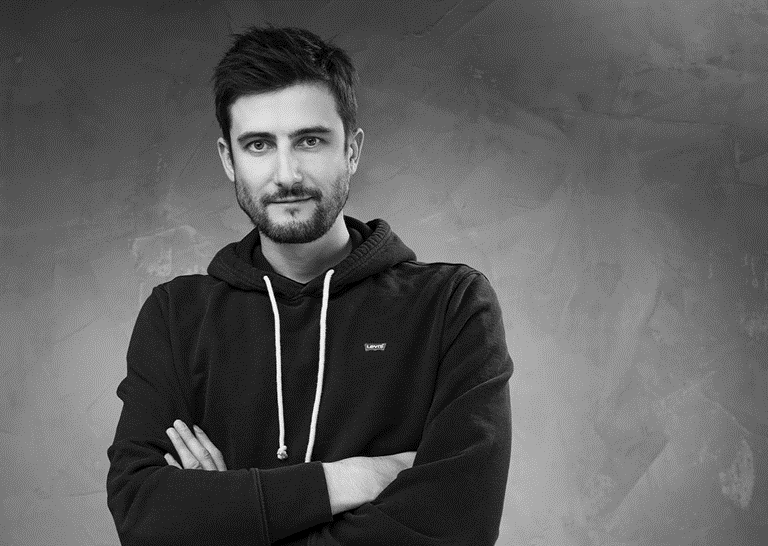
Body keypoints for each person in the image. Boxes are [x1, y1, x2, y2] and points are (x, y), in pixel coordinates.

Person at [106, 25, 514, 545]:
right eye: (258, 145)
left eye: (310, 140)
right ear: (229, 159)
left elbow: (458, 526)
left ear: (352, 151)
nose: (287, 174)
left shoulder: (452, 305)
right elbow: (143, 515)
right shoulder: (176, 316)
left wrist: (226, 516)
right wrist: (344, 480)